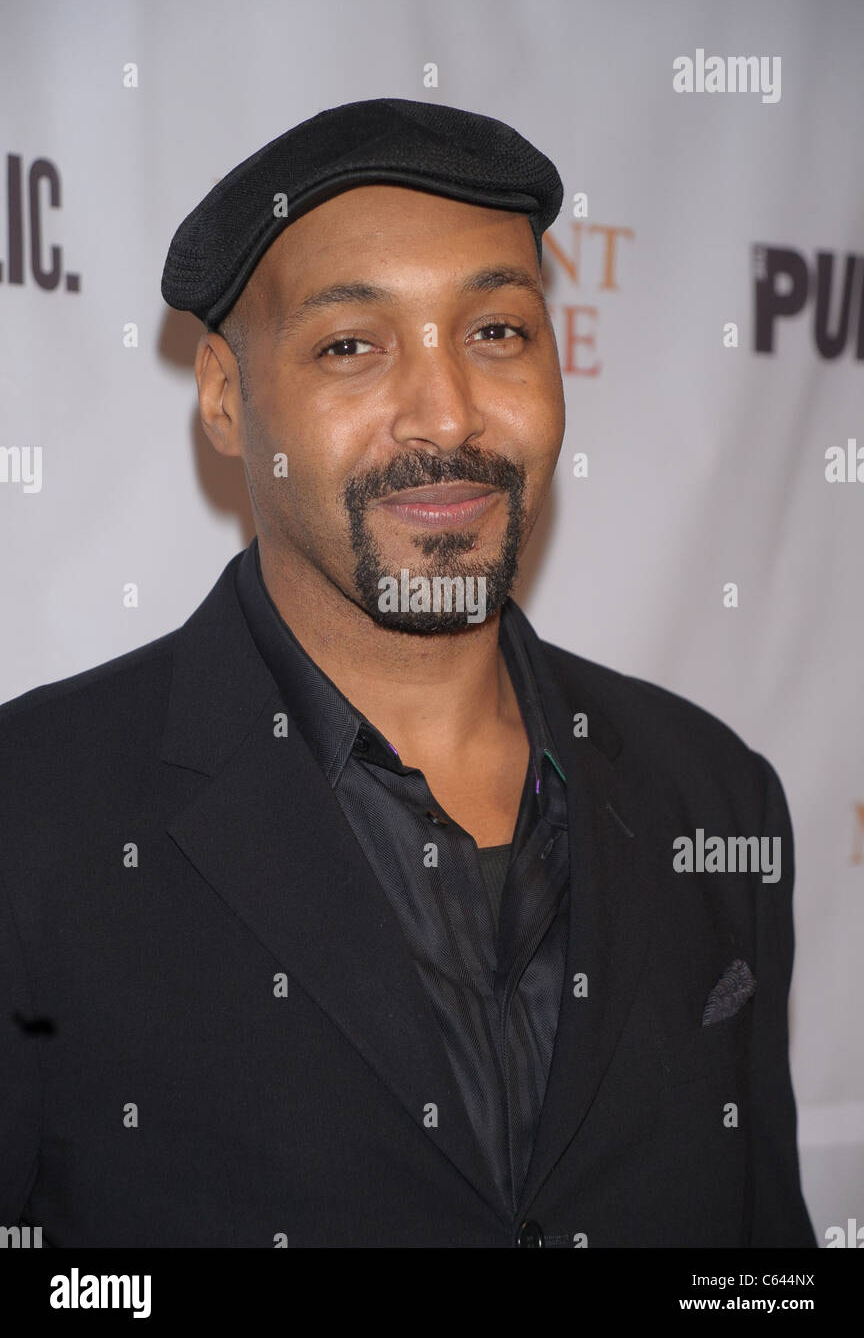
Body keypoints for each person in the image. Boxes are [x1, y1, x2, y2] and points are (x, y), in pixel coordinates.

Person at [0, 98, 815, 1248]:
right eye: (351, 346)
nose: (446, 411)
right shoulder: (34, 815)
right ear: (229, 401)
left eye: (496, 332)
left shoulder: (714, 795)